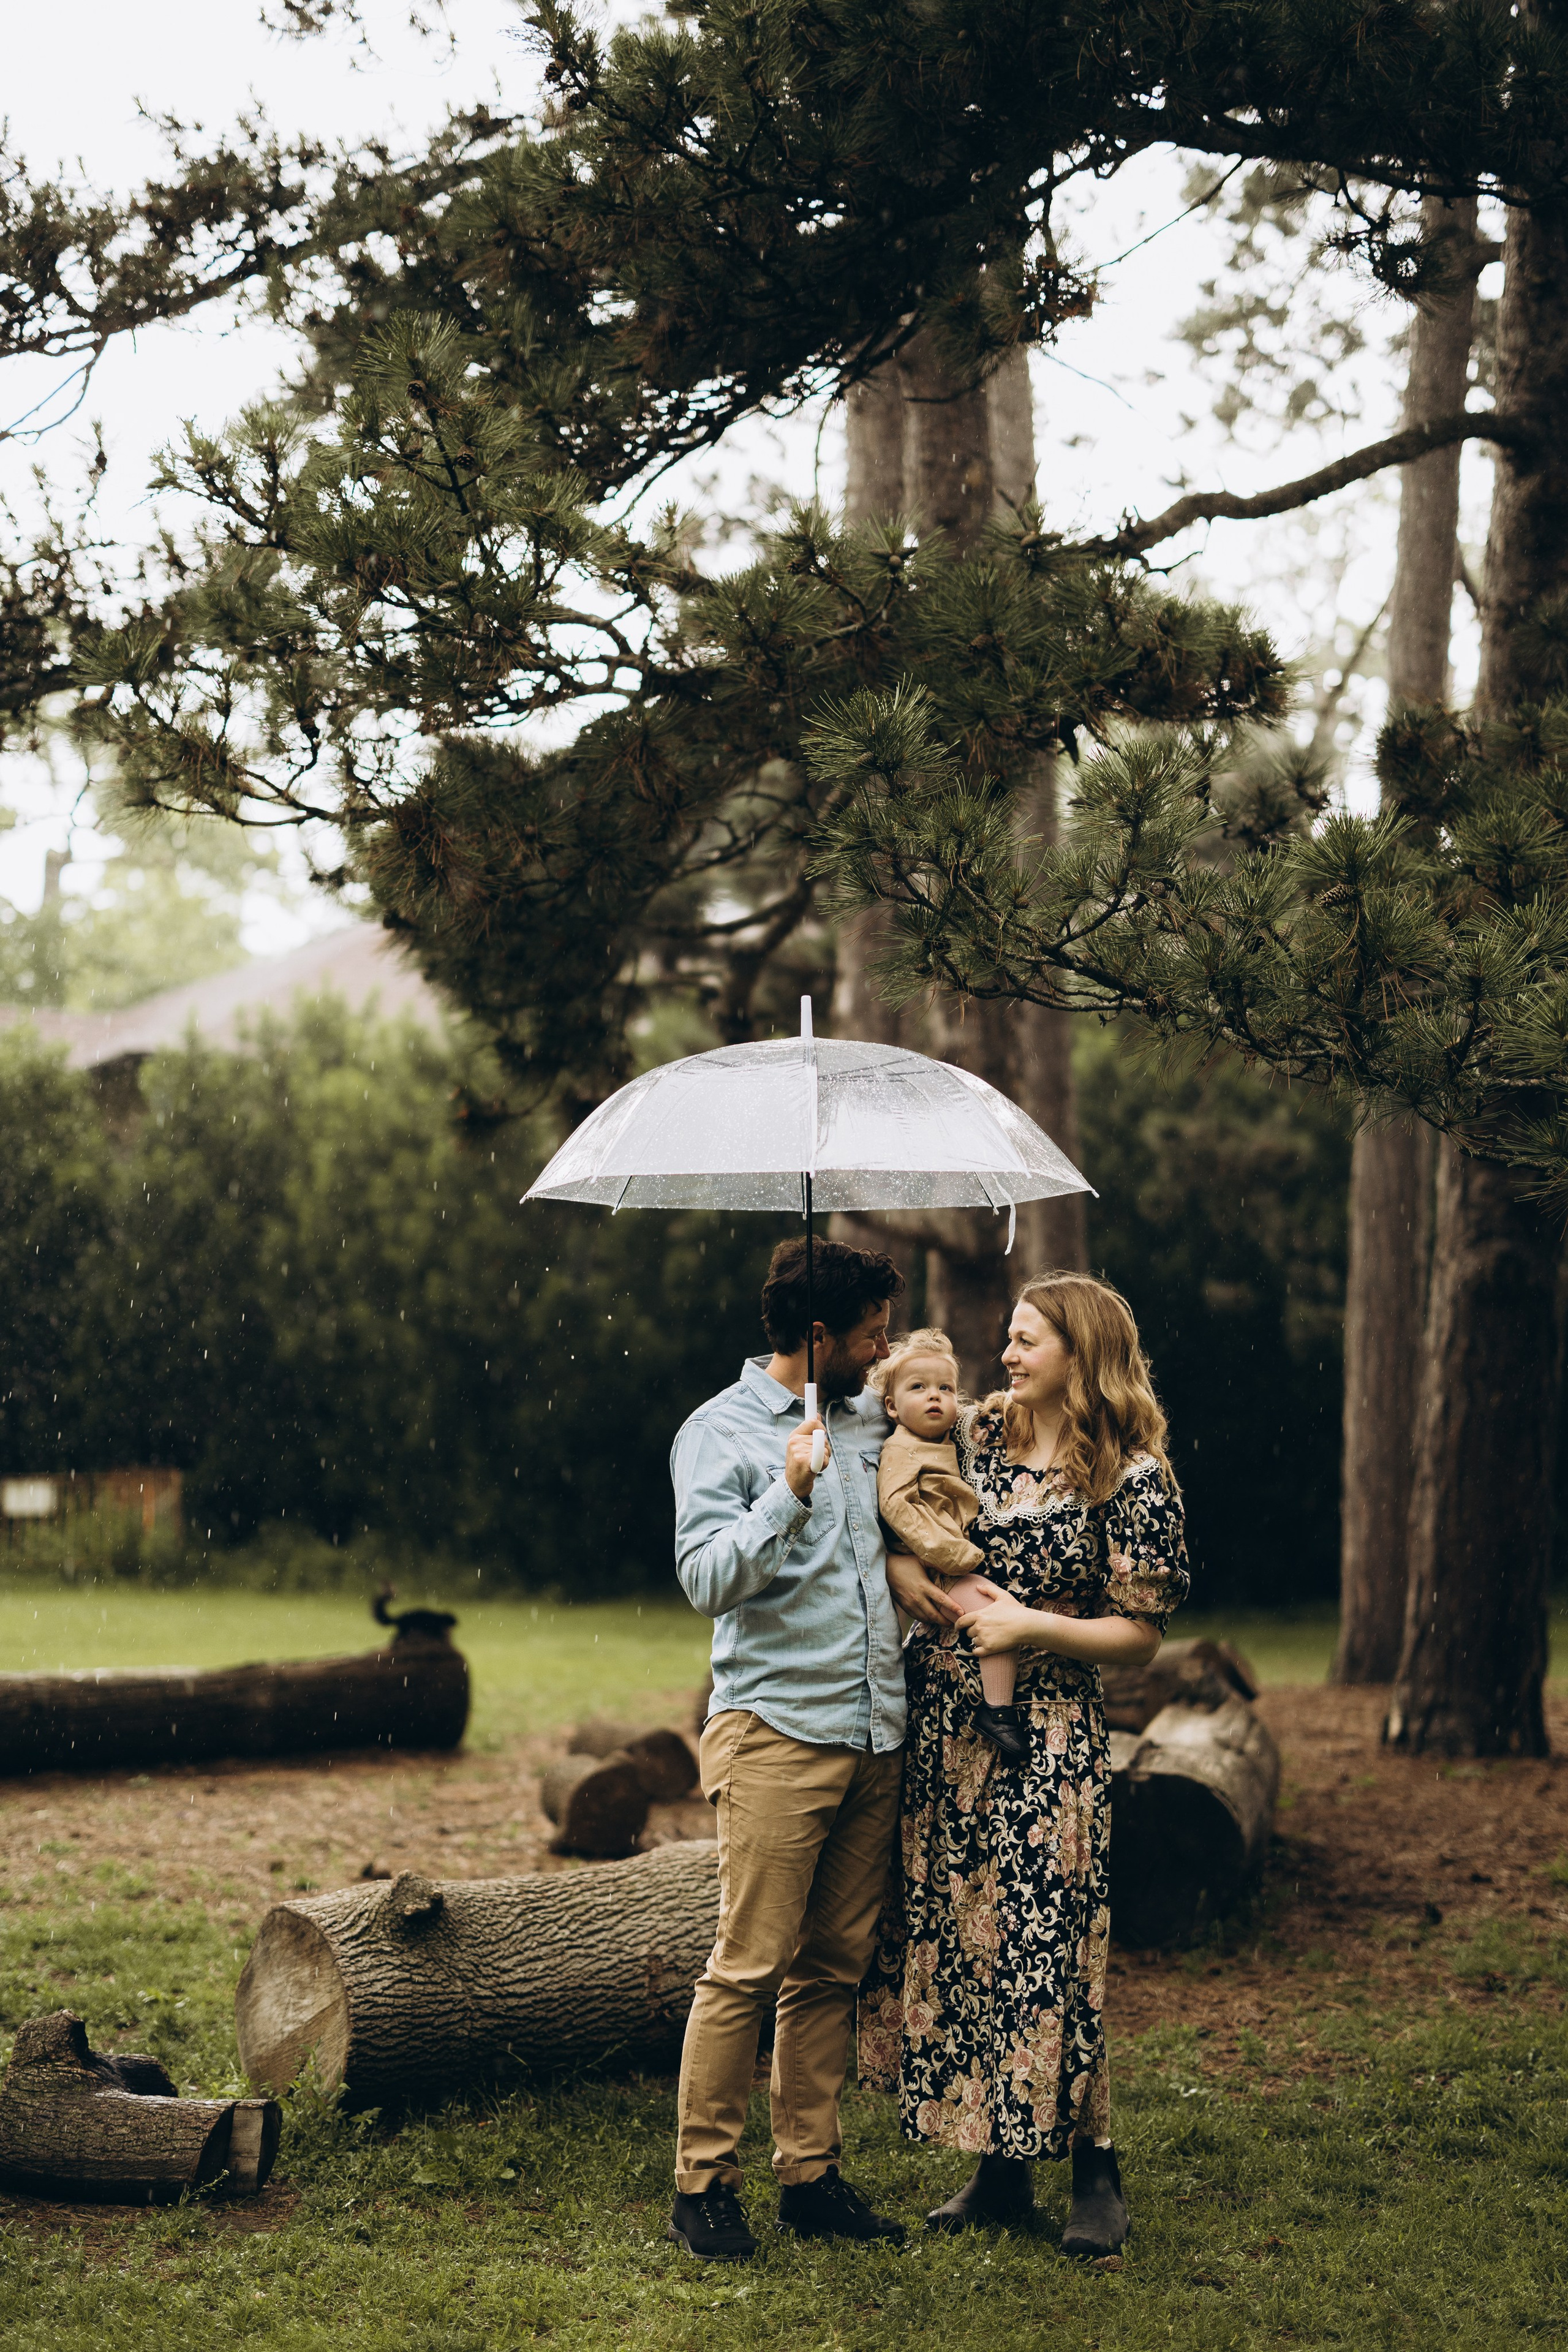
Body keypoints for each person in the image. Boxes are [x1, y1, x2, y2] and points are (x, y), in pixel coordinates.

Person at [860, 1272, 1189, 2257]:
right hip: (949, 1732)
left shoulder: (1133, 1477)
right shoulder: (979, 1435)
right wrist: (902, 1567)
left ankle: (1095, 2169)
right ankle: (999, 2171)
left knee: (1053, 1947)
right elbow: (901, 1498)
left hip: (1050, 1735)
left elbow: (1142, 1635)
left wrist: (1033, 1623)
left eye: (1028, 1339)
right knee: (970, 1942)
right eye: (1007, 1337)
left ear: (1082, 1354)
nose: (1005, 1355)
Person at [666, 1234, 914, 2263]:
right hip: (776, 1735)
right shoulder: (719, 1432)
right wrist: (789, 1492)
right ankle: (704, 2183)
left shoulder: (871, 1421)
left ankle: (810, 2175)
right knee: (748, 1966)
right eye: (870, 1333)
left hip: (874, 1733)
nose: (884, 1346)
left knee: (832, 1970)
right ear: (820, 1337)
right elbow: (704, 1581)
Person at [870, 1329, 1027, 1764]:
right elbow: (897, 1507)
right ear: (892, 1407)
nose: (934, 1397)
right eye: (918, 1388)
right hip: (935, 1564)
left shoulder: (943, 1441)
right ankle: (997, 1711)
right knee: (997, 1614)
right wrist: (952, 1554)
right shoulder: (901, 1450)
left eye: (945, 1388)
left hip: (940, 1559)